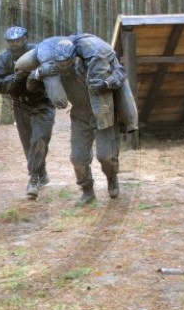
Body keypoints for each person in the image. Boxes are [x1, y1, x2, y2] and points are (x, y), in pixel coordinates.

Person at [23, 34, 138, 206]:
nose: (64, 67)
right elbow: (31, 86)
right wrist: (37, 74)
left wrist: (106, 83)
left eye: (67, 62)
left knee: (106, 156)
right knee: (78, 158)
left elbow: (121, 73)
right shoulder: (52, 69)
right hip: (80, 115)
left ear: (74, 56)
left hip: (104, 112)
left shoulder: (93, 61)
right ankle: (87, 191)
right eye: (60, 63)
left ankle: (112, 178)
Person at [0, 26, 56, 199]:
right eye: (12, 41)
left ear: (25, 39)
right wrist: (16, 78)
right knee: (29, 145)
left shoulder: (39, 52)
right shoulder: (4, 59)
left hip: (42, 104)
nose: (15, 44)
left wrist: (38, 74)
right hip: (20, 106)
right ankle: (41, 174)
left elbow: (54, 71)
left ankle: (33, 180)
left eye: (18, 40)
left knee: (39, 140)